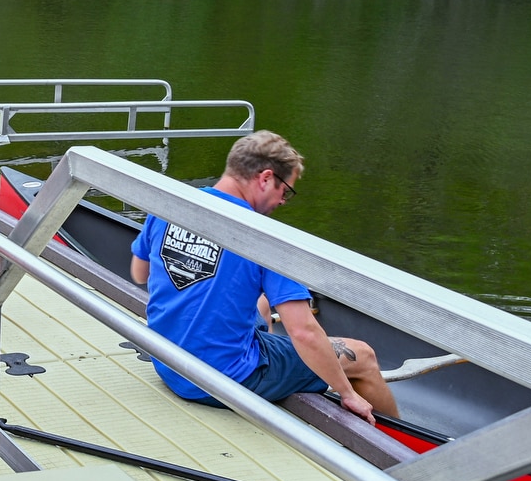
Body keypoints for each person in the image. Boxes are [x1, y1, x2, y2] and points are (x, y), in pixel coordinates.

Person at [129, 131, 398, 423]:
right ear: (266, 178)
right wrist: (348, 394)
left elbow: (140, 274)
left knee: (261, 303)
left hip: (168, 362)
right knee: (364, 356)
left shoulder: (171, 204)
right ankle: (402, 453)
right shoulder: (265, 237)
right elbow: (304, 332)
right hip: (221, 380)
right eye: (286, 191)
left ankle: (267, 361)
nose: (283, 201)